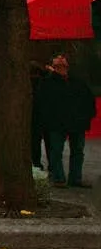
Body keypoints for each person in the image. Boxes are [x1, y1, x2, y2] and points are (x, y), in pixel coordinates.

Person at [37, 53, 96, 188]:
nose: (61, 68)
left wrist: (87, 116)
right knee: (57, 150)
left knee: (76, 151)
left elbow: (88, 100)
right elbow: (43, 104)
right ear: (53, 67)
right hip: (57, 122)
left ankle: (74, 178)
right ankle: (59, 178)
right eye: (58, 65)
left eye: (63, 65)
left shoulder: (77, 82)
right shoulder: (48, 83)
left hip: (76, 122)